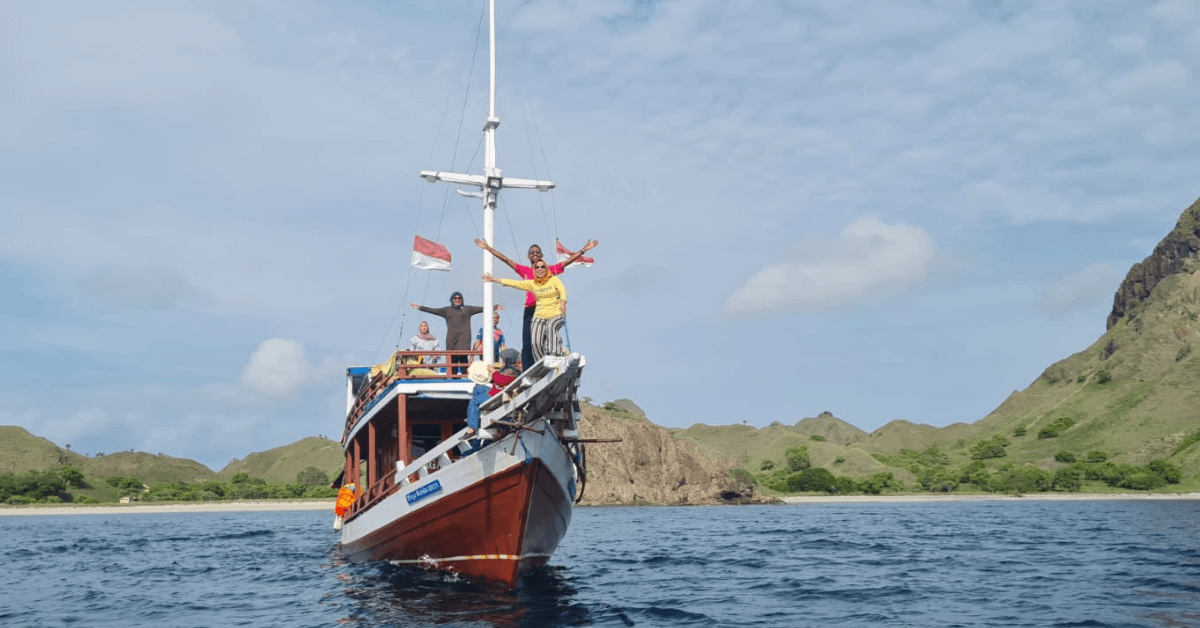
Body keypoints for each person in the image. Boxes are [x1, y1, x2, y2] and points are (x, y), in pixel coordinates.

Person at [475, 238, 597, 370]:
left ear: (542, 256)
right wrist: (487, 248)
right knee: (528, 342)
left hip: (548, 309)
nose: (534, 253)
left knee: (547, 336)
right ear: (528, 256)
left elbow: (567, 262)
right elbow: (506, 260)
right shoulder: (525, 271)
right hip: (530, 309)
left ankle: (550, 360)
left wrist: (583, 250)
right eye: (532, 252)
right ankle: (530, 369)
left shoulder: (549, 271)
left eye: (537, 252)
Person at [482, 260, 568, 363]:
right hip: (540, 315)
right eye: (537, 267)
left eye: (542, 267)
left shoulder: (553, 279)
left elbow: (562, 290)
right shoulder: (533, 283)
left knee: (550, 328)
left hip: (556, 314)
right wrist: (495, 280)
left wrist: (563, 302)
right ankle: (542, 361)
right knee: (535, 341)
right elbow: (515, 283)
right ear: (534, 270)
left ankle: (556, 354)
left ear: (546, 269)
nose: (540, 269)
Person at [411, 292, 483, 374]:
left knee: (463, 359)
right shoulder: (447, 310)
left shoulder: (468, 309)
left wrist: (493, 307)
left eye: (459, 298)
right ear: (452, 300)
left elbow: (482, 309)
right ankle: (453, 379)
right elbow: (433, 310)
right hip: (452, 339)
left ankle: (465, 378)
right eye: (455, 298)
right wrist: (419, 307)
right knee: (453, 360)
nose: (457, 300)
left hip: (464, 338)